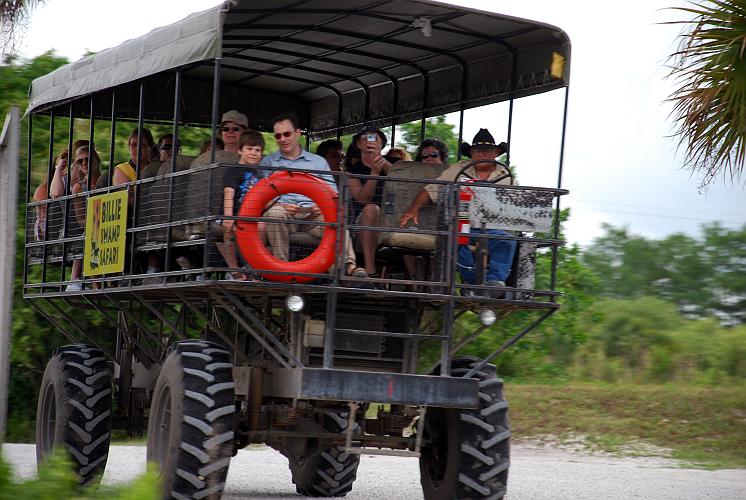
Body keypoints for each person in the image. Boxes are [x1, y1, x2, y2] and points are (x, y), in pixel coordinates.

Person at [400, 128, 516, 297]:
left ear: (496, 153)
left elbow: (516, 203)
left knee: (508, 241)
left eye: (487, 151)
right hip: (463, 222)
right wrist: (412, 210)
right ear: (471, 154)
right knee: (457, 238)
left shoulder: (505, 175)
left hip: (492, 225)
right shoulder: (458, 170)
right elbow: (432, 189)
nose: (482, 155)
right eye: (478, 151)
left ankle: (495, 282)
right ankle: (472, 283)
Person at [260, 112, 365, 279]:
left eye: (286, 134)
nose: (283, 139)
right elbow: (260, 196)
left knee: (335, 219)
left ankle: (349, 268)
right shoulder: (268, 162)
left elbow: (333, 195)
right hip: (284, 213)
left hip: (313, 214)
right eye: (278, 136)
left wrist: (321, 207)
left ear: (297, 133)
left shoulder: (318, 162)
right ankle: (280, 270)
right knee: (274, 214)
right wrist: (280, 205)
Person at [217, 130, 265, 280]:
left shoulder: (260, 174)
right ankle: (233, 269)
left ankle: (252, 266)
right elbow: (229, 193)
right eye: (249, 149)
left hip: (251, 216)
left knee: (263, 226)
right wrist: (229, 216)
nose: (253, 153)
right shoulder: (233, 170)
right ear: (240, 150)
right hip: (231, 212)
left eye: (257, 150)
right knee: (225, 231)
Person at [346, 125, 393, 276]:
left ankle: (413, 285)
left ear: (382, 143)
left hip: (393, 219)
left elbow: (405, 183)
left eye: (374, 137)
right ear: (358, 144)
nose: (369, 141)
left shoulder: (395, 164)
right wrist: (374, 173)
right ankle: (370, 271)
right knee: (372, 208)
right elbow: (362, 199)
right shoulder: (352, 171)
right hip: (362, 222)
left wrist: (382, 163)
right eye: (364, 137)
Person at [65, 145, 103, 291]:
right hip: (90, 227)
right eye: (80, 161)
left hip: (109, 222)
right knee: (91, 236)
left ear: (96, 160)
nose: (84, 163)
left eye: (87, 159)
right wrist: (94, 224)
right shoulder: (79, 188)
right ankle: (89, 283)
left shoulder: (106, 181)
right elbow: (80, 218)